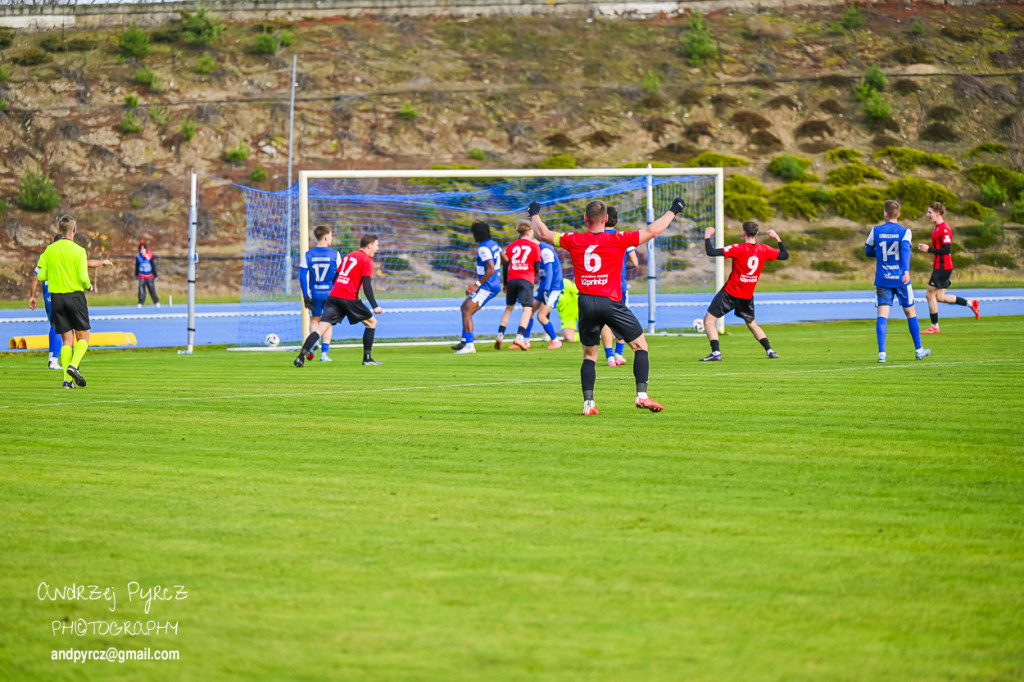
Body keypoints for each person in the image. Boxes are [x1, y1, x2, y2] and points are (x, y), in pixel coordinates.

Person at [530, 197, 685, 415]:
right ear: (606, 219)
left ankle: (588, 404)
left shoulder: (573, 239)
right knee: (641, 346)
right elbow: (652, 231)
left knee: (589, 355)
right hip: (611, 302)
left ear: (585, 219)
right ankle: (641, 396)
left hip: (585, 302)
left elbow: (544, 233)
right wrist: (673, 211)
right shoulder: (619, 238)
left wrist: (534, 213)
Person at [699, 221, 789, 362]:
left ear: (743, 233)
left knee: (709, 321)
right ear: (757, 234)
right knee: (752, 323)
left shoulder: (738, 248)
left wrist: (707, 236)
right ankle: (770, 351)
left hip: (730, 293)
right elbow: (785, 255)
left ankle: (716, 353)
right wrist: (777, 238)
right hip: (746, 295)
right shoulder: (764, 249)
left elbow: (711, 252)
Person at [294, 234, 383, 367]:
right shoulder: (367, 260)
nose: (378, 248)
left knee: (320, 329)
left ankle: (300, 357)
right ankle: (367, 359)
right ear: (369, 246)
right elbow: (367, 285)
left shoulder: (349, 256)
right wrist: (375, 306)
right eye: (376, 245)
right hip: (348, 297)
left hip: (334, 295)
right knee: (372, 323)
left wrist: (338, 290)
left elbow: (336, 276)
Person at [29, 215, 93, 389]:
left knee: (67, 340)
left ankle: (67, 381)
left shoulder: (49, 250)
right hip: (75, 296)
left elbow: (41, 275)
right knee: (84, 335)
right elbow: (83, 277)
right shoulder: (79, 251)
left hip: (56, 298)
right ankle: (73, 365)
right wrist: (88, 286)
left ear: (59, 230)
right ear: (74, 230)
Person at [866, 199, 931, 363]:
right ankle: (918, 350)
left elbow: (868, 251)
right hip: (902, 278)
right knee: (910, 312)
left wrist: (880, 253)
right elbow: (905, 250)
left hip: (883, 279)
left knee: (882, 315)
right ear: (898, 214)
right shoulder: (905, 231)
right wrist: (906, 270)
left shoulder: (876, 230)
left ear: (885, 214)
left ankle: (882, 354)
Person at [916, 201, 980, 333]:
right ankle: (970, 303)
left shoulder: (944, 229)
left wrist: (928, 250)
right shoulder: (937, 227)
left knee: (929, 295)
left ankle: (935, 326)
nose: (927, 215)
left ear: (937, 213)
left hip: (943, 267)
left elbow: (947, 250)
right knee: (939, 297)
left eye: (930, 212)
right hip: (940, 266)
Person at [451, 221, 502, 355]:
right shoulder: (494, 244)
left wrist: (476, 285)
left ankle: (469, 345)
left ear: (477, 234)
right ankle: (464, 340)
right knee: (464, 308)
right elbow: (506, 259)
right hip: (493, 284)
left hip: (487, 286)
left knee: (467, 310)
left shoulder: (483, 248)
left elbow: (490, 269)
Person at [601, 205, 639, 367]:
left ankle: (610, 357)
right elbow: (635, 262)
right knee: (620, 320)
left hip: (601, 286)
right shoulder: (623, 237)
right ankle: (619, 354)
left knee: (604, 322)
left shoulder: (595, 237)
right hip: (619, 287)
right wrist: (622, 266)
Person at [494, 220, 542, 351]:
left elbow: (506, 265)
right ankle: (519, 337)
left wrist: (505, 283)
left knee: (508, 309)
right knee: (527, 310)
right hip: (526, 279)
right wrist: (532, 275)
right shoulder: (534, 247)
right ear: (529, 232)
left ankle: (500, 335)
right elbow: (537, 266)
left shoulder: (511, 246)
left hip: (512, 279)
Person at [299, 225, 342, 362]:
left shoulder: (308, 254)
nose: (331, 238)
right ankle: (324, 354)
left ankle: (314, 343)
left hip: (315, 292)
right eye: (330, 236)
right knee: (327, 322)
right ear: (325, 237)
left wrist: (306, 295)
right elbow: (339, 275)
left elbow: (302, 276)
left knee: (315, 320)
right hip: (330, 293)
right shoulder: (335, 254)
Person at [135, 241, 159, 308]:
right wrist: (136, 274)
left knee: (152, 289)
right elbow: (137, 266)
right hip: (142, 275)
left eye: (143, 249)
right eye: (141, 249)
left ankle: (156, 301)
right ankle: (141, 302)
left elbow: (153, 265)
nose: (142, 250)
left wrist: (155, 275)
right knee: (141, 289)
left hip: (149, 275)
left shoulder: (150, 255)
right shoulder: (138, 257)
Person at [555, 277, 579, 343]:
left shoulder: (563, 282)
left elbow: (578, 291)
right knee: (569, 338)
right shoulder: (546, 288)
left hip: (582, 310)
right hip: (567, 316)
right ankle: (588, 335)